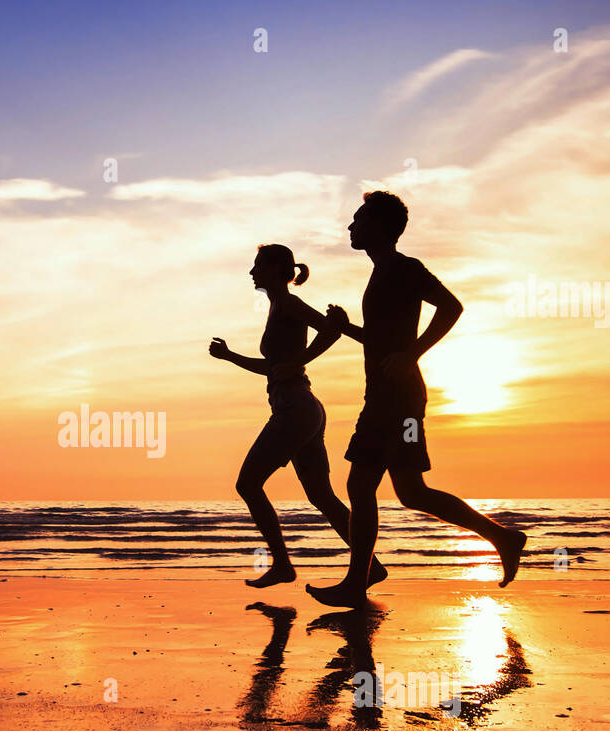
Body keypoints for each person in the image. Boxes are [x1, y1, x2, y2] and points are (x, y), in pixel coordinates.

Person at [306, 192, 526, 608]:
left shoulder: (405, 268)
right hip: (384, 397)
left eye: (358, 220)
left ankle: (358, 580)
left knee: (364, 484)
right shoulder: (380, 274)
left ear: (382, 227)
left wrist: (414, 353)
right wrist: (343, 327)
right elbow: (381, 342)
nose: (350, 227)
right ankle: (502, 537)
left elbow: (452, 306)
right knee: (409, 491)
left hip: (399, 400)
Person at [210, 244, 387, 588]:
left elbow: (331, 329)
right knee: (321, 496)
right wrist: (231, 357)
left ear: (277, 269)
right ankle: (372, 567)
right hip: (303, 410)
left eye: (258, 265)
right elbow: (272, 368)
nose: (252, 272)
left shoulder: (288, 303)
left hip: (295, 411)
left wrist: (301, 359)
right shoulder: (278, 306)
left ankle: (282, 565)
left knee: (247, 484)